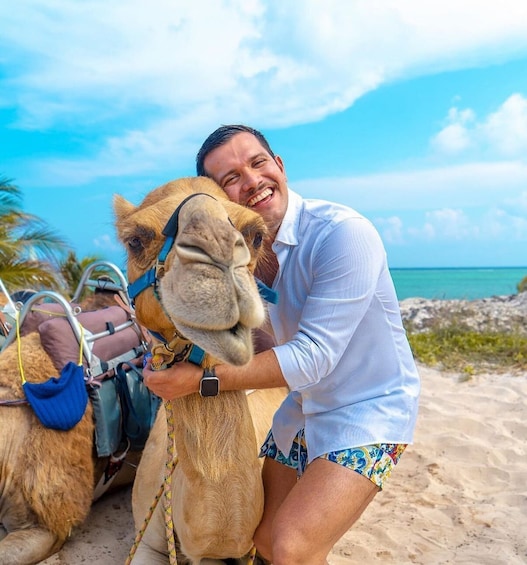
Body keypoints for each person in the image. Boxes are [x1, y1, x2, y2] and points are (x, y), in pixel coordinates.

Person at [143, 124, 420, 565]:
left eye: (258, 163)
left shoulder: (342, 234)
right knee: (266, 539)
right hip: (303, 406)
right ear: (217, 198)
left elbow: (314, 356)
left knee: (293, 546)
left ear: (280, 166)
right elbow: (256, 334)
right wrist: (168, 348)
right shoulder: (239, 255)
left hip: (369, 408)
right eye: (231, 178)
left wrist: (201, 381)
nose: (252, 181)